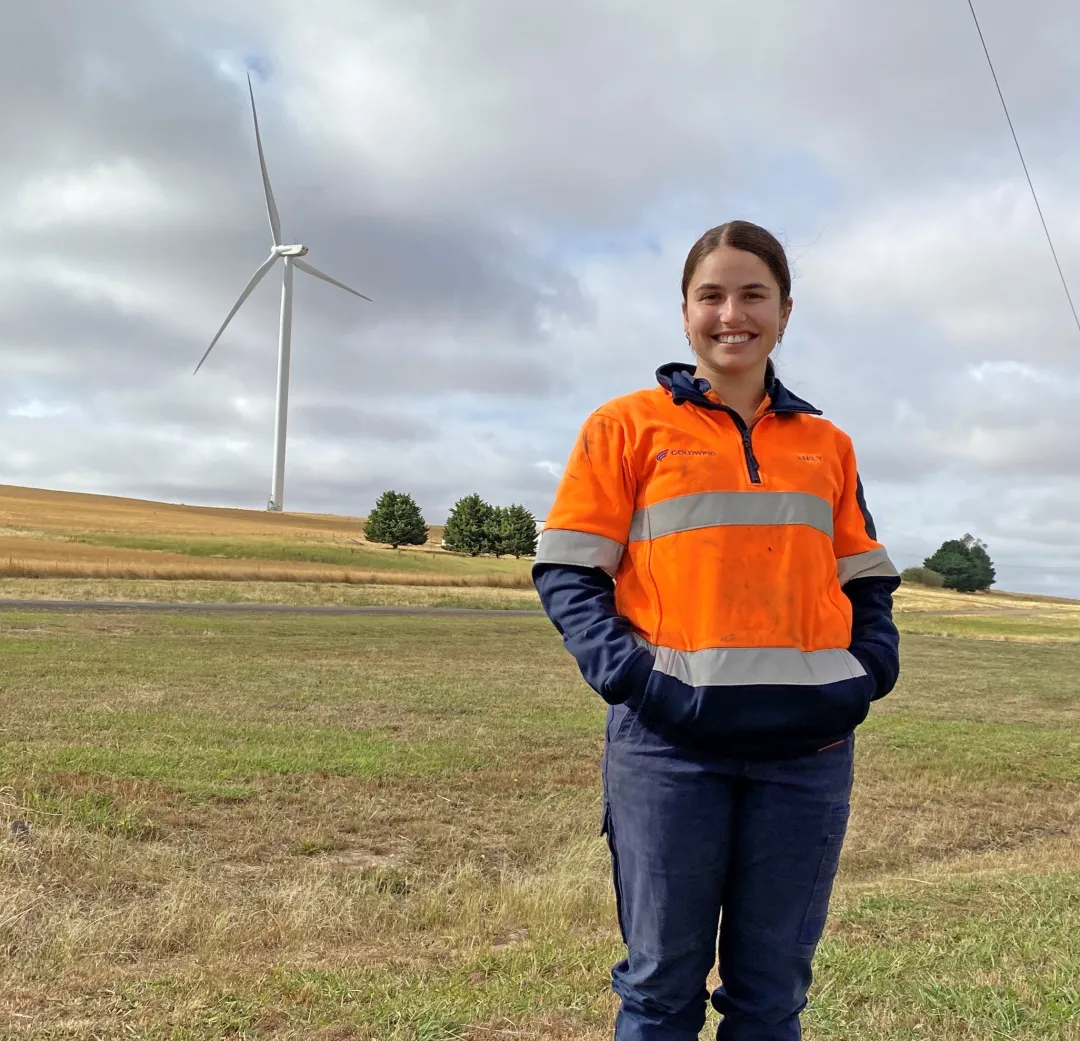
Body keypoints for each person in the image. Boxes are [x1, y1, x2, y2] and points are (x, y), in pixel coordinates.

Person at [531, 220, 900, 1041]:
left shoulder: (826, 444)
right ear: (686, 312)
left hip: (807, 754)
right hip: (669, 748)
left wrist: (871, 666)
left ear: (786, 311)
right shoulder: (624, 427)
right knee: (661, 989)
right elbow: (568, 570)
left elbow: (864, 572)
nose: (732, 313)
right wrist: (633, 679)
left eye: (753, 294)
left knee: (771, 995)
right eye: (712, 295)